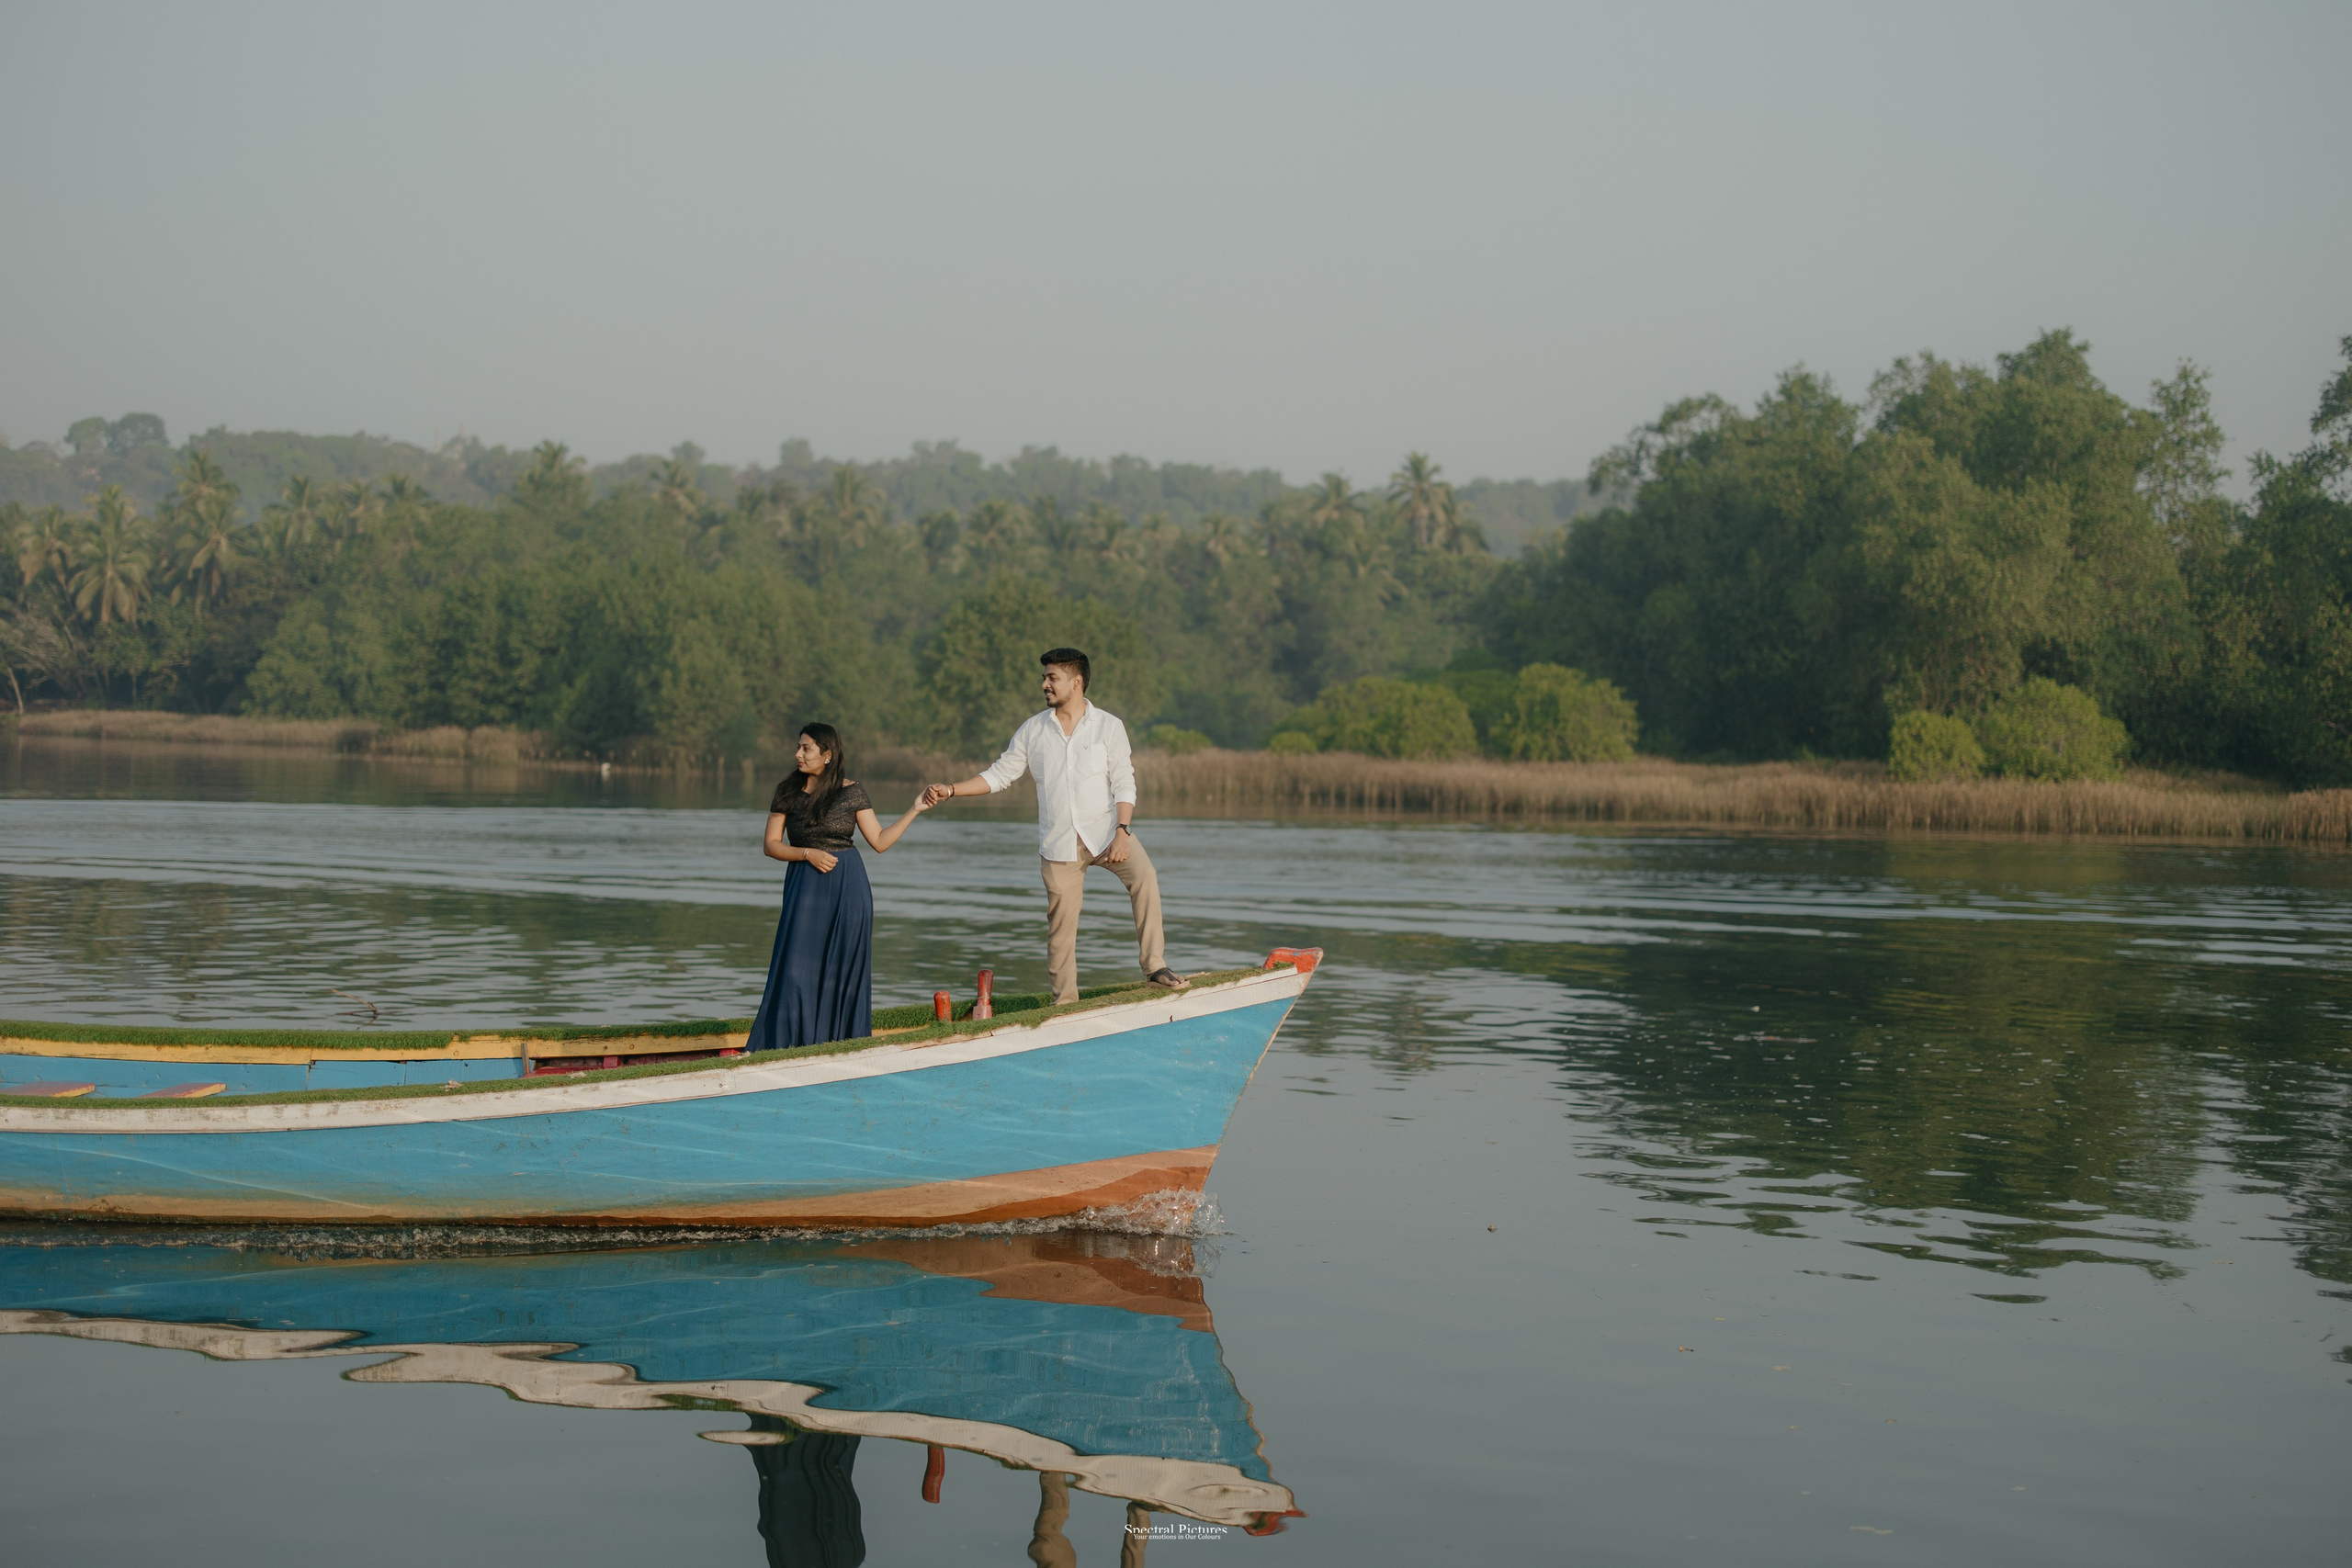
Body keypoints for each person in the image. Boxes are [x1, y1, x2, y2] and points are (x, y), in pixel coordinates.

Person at [924, 647, 1187, 1003]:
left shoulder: (1109, 726)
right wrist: (952, 789)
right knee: (1061, 928)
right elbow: (1000, 775)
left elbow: (1124, 781)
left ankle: (1154, 967)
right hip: (1059, 843)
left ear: (1076, 682)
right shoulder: (1033, 730)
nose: (1045, 684)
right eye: (1044, 678)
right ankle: (1065, 1002)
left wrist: (1122, 831)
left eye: (1052, 678)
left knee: (1145, 877)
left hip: (1109, 832)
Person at [749, 723, 930, 1053]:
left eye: (806, 748)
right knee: (794, 972)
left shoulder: (853, 791)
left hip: (848, 886)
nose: (798, 754)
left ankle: (841, 1048)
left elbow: (879, 841)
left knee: (842, 971)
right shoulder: (787, 791)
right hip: (805, 887)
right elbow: (771, 845)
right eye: (799, 747)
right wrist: (807, 854)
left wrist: (914, 809)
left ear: (827, 755)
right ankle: (784, 1047)